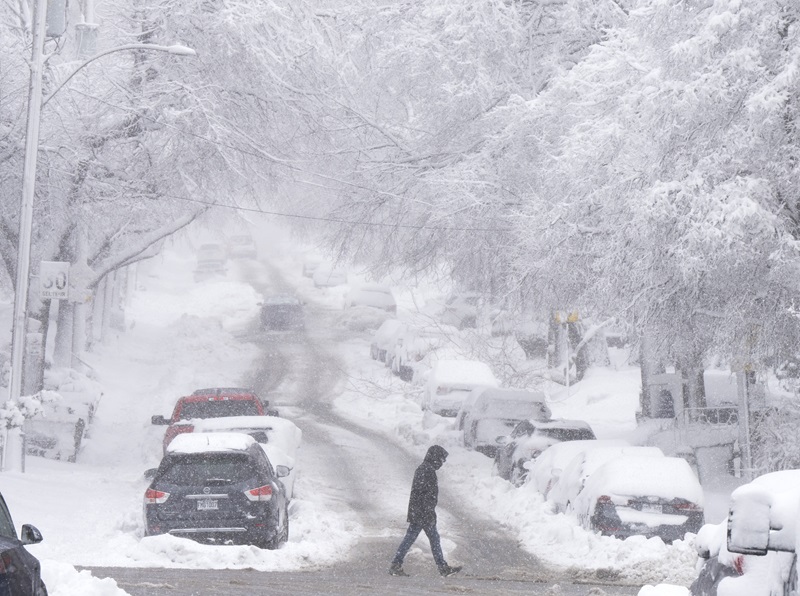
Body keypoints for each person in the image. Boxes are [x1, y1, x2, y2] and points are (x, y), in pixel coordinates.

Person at [389, 445, 462, 577]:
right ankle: (441, 567)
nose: (441, 463)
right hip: (423, 513)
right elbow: (425, 494)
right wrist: (427, 511)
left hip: (420, 512)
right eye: (441, 459)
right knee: (424, 539)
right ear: (434, 458)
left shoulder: (424, 469)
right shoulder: (427, 471)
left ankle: (397, 564)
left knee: (422, 538)